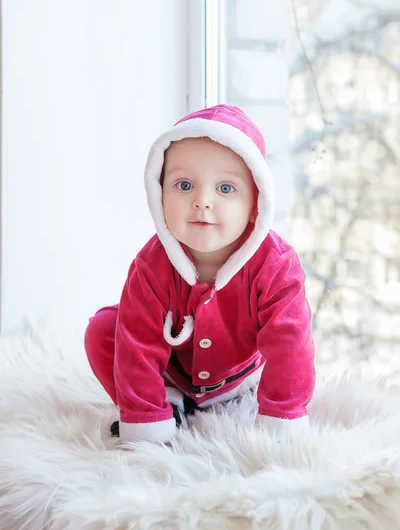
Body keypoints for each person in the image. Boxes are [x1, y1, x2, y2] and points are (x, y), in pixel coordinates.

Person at [84, 104, 316, 444]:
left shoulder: (276, 265)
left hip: (237, 376)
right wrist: (144, 421)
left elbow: (290, 344)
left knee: (291, 351)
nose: (202, 201)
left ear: (256, 204)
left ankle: (220, 400)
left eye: (225, 189)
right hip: (173, 371)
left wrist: (282, 418)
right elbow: (139, 344)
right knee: (104, 330)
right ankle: (165, 404)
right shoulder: (151, 265)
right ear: (158, 193)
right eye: (184, 185)